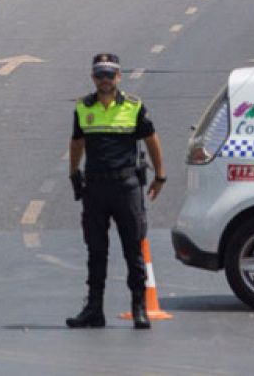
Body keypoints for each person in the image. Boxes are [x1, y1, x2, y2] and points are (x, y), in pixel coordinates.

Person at [66, 53, 166, 331]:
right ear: (93, 77)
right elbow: (76, 143)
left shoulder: (134, 106)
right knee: (96, 251)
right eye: (100, 75)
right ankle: (93, 309)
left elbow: (152, 140)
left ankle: (139, 308)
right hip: (96, 187)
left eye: (110, 75)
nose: (105, 80)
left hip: (126, 187)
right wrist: (74, 173)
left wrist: (160, 175)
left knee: (133, 249)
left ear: (119, 77)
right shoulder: (83, 107)